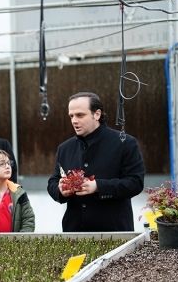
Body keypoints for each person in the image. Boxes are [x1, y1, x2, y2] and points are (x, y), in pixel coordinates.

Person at [47, 92, 145, 232]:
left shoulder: (125, 143)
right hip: (74, 233)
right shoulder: (64, 148)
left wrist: (98, 186)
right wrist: (60, 189)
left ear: (97, 114)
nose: (74, 120)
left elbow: (135, 183)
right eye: (71, 116)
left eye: (80, 115)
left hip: (114, 232)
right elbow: (52, 182)